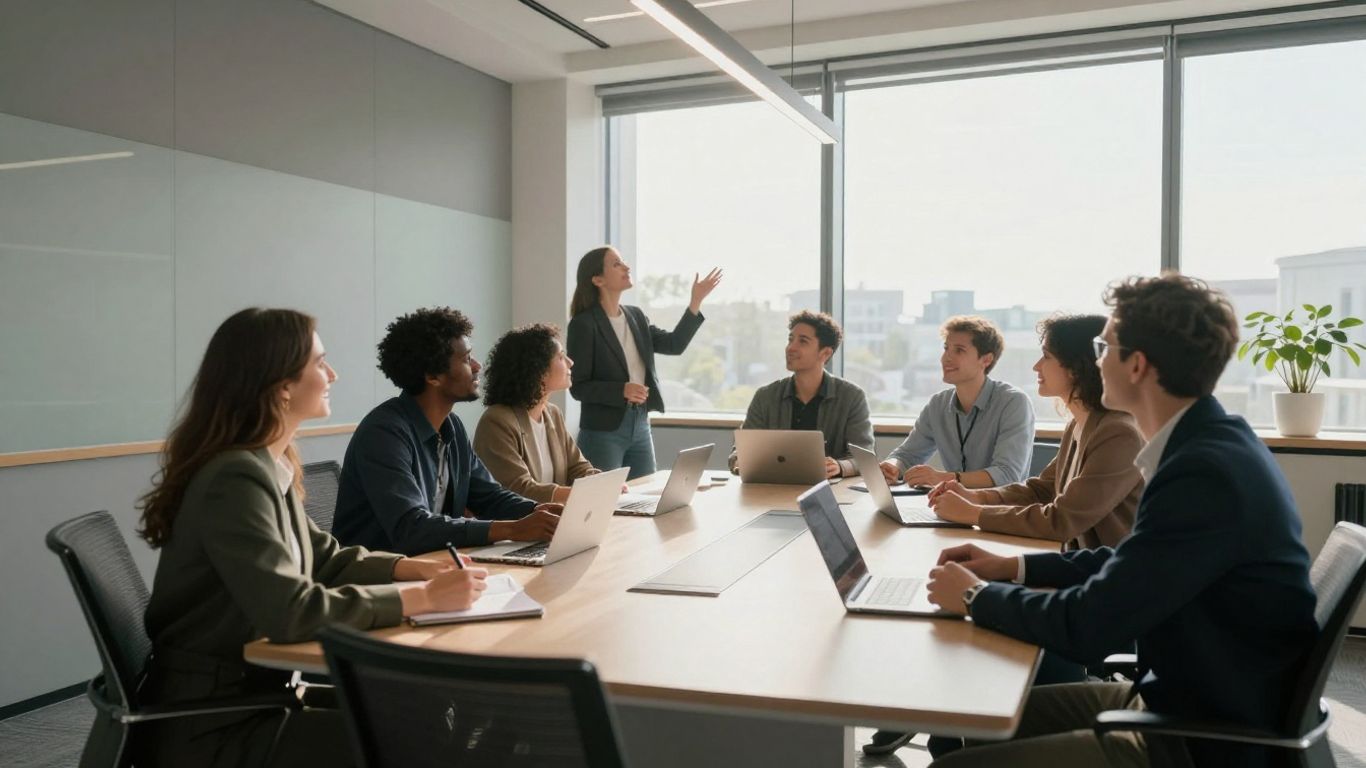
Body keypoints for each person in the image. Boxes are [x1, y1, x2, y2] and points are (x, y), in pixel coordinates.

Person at [924, 274, 1318, 768]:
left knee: (951, 763)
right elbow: (1127, 560)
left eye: (1101, 346)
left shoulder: (1204, 472)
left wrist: (974, 595)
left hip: (1199, 737)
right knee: (976, 716)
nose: (1095, 359)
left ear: (1137, 365)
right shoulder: (1206, 444)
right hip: (1171, 696)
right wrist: (1012, 568)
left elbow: (1088, 625)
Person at [136, 308, 488, 767]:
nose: (333, 374)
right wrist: (421, 597)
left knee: (417, 712)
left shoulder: (263, 464)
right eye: (320, 363)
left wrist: (409, 567)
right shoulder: (235, 477)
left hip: (258, 693)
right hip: (215, 723)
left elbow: (322, 556)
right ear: (282, 386)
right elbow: (290, 612)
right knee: (414, 740)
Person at [332, 307, 562, 556]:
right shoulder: (384, 433)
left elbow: (490, 497)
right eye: (466, 359)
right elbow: (411, 527)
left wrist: (541, 512)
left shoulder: (452, 427)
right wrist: (511, 530)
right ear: (432, 376)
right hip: (380, 578)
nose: (477, 366)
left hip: (435, 565)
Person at [927, 314, 1144, 548]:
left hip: (1108, 575)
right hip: (1076, 563)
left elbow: (1061, 521)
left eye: (1047, 356)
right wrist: (976, 497)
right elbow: (1042, 490)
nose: (1036, 366)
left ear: (1076, 367)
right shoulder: (1079, 424)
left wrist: (973, 513)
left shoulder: (1119, 434)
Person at [566, 245, 722, 479]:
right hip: (602, 431)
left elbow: (674, 344)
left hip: (640, 423)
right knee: (604, 502)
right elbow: (578, 387)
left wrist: (695, 301)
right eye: (616, 264)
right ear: (598, 279)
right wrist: (621, 390)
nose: (626, 267)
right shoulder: (584, 325)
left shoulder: (636, 316)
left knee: (646, 497)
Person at [879, 315, 1034, 491]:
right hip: (953, 505)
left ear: (986, 360)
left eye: (959, 350)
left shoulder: (1013, 402)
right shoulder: (938, 404)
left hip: (998, 510)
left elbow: (1007, 474)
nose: (946, 358)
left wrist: (942, 478)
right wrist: (893, 466)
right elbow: (907, 455)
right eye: (946, 349)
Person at [728, 310, 873, 479]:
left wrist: (839, 466)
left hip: (830, 494)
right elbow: (740, 450)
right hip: (772, 489)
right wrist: (739, 460)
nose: (791, 348)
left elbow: (864, 456)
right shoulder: (765, 396)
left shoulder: (852, 397)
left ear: (825, 353)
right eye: (790, 340)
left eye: (803, 341)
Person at [474, 323, 599, 503]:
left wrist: (603, 484)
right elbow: (518, 488)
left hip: (553, 520)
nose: (570, 362)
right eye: (561, 357)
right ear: (538, 370)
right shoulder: (497, 421)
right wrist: (583, 494)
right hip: (518, 525)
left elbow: (577, 467)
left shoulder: (553, 413)